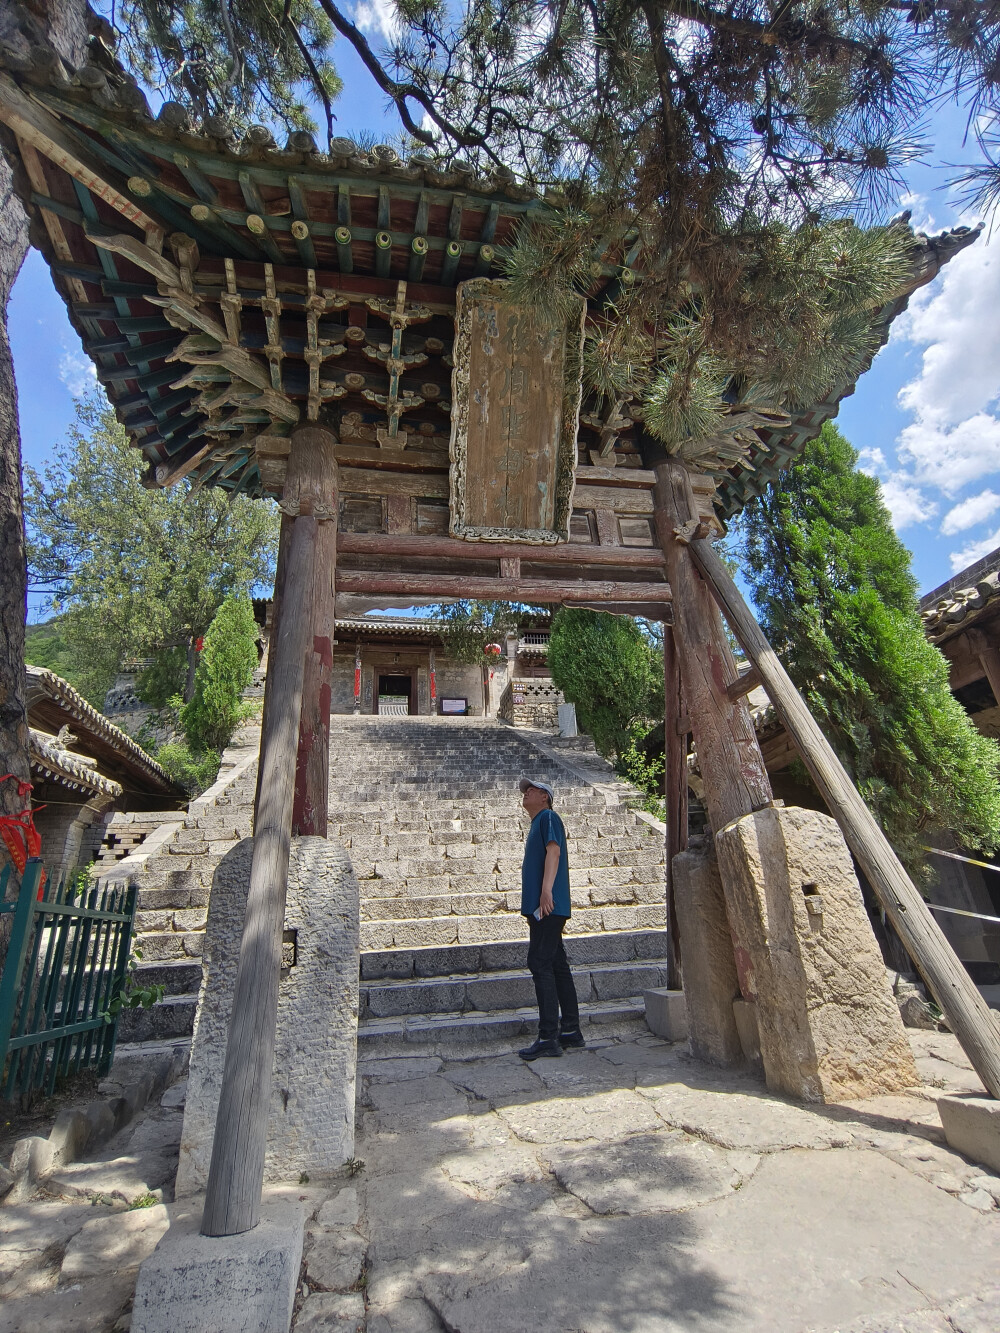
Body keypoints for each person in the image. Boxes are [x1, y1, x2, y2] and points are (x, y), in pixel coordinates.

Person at [516, 777, 584, 1060]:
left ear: (544, 796)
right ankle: (570, 1030)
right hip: (544, 906)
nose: (525, 793)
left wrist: (546, 892)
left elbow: (553, 852)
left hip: (547, 905)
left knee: (539, 962)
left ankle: (548, 1036)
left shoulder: (548, 818)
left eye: (531, 790)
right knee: (556, 964)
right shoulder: (538, 822)